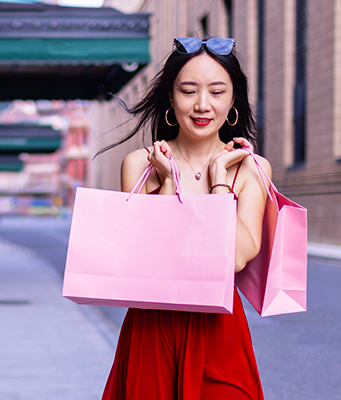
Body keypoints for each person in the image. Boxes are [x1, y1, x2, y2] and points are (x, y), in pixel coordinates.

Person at [95, 37, 271, 400]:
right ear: (171, 101)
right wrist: (171, 185)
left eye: (217, 92)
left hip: (219, 331)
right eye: (188, 91)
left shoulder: (252, 169)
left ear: (233, 101)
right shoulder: (141, 165)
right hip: (152, 327)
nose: (202, 105)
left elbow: (236, 257)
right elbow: (149, 257)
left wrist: (219, 180)